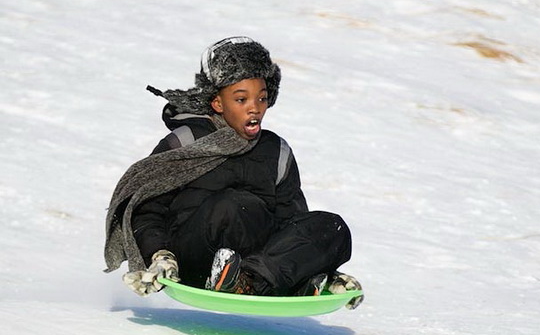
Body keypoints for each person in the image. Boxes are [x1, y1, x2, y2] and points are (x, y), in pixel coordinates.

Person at [103, 36, 362, 308]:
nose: (255, 107)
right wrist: (160, 255)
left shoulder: (277, 152)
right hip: (194, 257)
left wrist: (316, 260)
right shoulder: (188, 141)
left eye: (262, 98)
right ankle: (255, 279)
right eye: (241, 99)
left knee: (333, 227)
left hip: (257, 262)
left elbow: (292, 221)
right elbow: (147, 209)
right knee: (234, 206)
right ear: (217, 103)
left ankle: (254, 281)